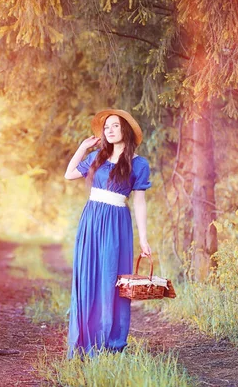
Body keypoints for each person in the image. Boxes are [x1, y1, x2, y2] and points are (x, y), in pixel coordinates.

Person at [63, 108, 152, 358]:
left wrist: (143, 238)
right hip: (91, 220)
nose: (109, 130)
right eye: (106, 127)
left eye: (114, 126)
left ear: (125, 130)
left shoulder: (138, 163)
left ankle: (111, 343)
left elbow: (139, 202)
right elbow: (69, 174)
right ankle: (84, 340)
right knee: (88, 276)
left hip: (116, 223)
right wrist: (83, 147)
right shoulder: (97, 158)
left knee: (112, 278)